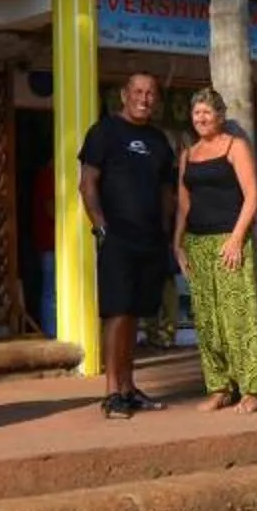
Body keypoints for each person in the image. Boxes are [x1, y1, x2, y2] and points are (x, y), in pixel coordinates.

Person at [77, 71, 176, 418]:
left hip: (150, 241)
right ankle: (111, 393)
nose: (144, 98)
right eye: (137, 91)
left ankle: (129, 389)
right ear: (124, 94)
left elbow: (167, 192)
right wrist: (101, 226)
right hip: (117, 238)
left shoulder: (159, 140)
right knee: (117, 313)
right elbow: (87, 183)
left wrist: (166, 233)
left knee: (135, 314)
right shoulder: (104, 132)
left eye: (150, 93)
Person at [175, 89, 257, 412]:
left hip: (230, 241)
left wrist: (237, 238)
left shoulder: (235, 146)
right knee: (207, 320)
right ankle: (219, 387)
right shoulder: (188, 154)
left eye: (207, 113)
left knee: (238, 317)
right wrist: (178, 244)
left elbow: (252, 195)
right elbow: (183, 203)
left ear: (220, 116)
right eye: (196, 113)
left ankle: (251, 390)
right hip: (197, 243)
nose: (201, 118)